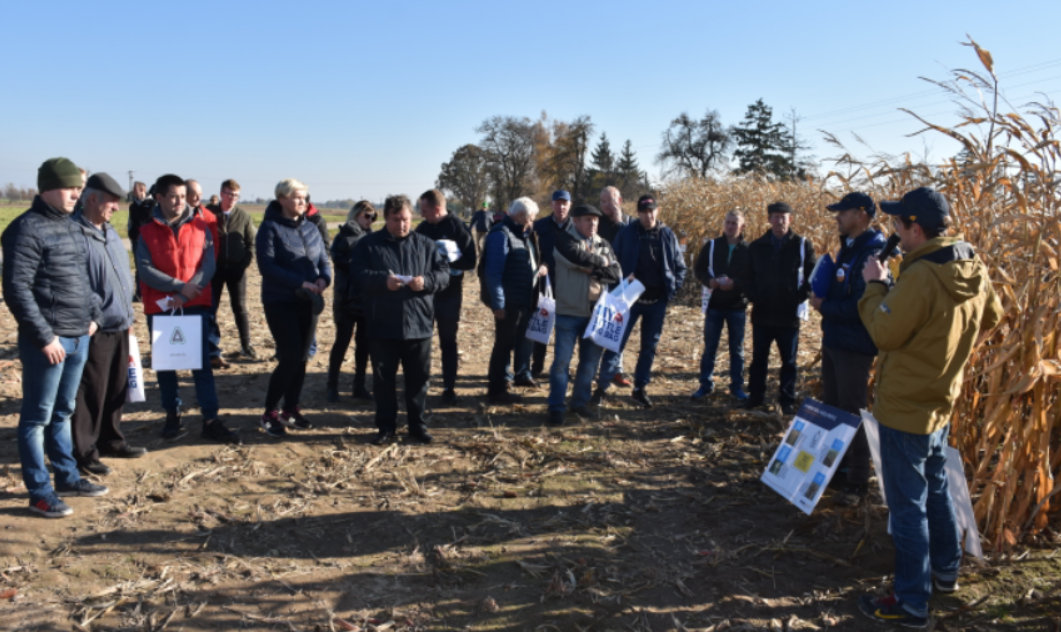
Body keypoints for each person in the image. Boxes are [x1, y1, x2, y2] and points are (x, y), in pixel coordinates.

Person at [857, 187, 1002, 627]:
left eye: (900, 224)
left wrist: (874, 286)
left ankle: (911, 602)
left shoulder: (920, 278)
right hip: (942, 401)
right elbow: (992, 316)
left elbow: (883, 331)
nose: (895, 231)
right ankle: (945, 574)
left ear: (915, 229)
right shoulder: (969, 263)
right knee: (937, 491)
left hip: (905, 408)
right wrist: (946, 348)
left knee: (907, 508)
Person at [2, 157, 108, 517]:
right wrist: (45, 337)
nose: (76, 195)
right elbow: (17, 289)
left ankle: (66, 475)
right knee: (37, 417)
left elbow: (81, 280)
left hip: (79, 334)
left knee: (64, 410)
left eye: (79, 189)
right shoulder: (25, 229)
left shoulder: (70, 227)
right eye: (69, 188)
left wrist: (94, 315)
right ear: (46, 188)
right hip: (49, 342)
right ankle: (39, 491)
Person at [136, 173, 239, 444]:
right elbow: (144, 269)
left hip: (195, 304)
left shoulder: (201, 227)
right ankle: (173, 415)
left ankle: (210, 419)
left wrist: (189, 289)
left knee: (202, 365)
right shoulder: (147, 231)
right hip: (161, 307)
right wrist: (178, 287)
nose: (180, 201)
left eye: (183, 196)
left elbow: (208, 264)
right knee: (166, 366)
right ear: (159, 197)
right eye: (174, 196)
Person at [351, 195, 449, 445]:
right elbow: (358, 275)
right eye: (396, 220)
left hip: (419, 325)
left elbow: (443, 274)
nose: (402, 225)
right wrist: (382, 281)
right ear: (386, 218)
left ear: (412, 217)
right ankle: (386, 427)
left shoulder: (426, 245)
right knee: (384, 383)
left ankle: (417, 426)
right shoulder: (369, 245)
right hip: (382, 325)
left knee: (418, 381)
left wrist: (426, 282)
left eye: (405, 219)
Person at [809, 192, 887, 499]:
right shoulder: (849, 249)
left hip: (855, 345)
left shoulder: (875, 252)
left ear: (862, 214)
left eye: (843, 212)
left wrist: (824, 306)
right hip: (835, 339)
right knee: (834, 406)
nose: (837, 217)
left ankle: (857, 478)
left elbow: (862, 304)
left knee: (853, 410)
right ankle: (836, 470)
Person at [72, 173, 146, 476]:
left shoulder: (110, 233)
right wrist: (95, 315)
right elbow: (78, 283)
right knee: (92, 391)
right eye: (112, 202)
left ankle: (111, 439)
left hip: (120, 322)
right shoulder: (75, 234)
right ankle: (85, 451)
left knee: (116, 386)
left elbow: (121, 278)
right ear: (92, 199)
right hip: (96, 327)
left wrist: (127, 314)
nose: (116, 208)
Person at [592, 194, 687, 408]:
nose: (648, 215)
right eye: (644, 212)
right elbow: (613, 261)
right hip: (629, 301)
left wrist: (671, 290)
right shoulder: (627, 233)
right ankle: (602, 388)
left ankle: (639, 388)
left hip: (656, 302)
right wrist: (622, 280)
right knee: (615, 343)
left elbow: (680, 267)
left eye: (652, 210)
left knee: (649, 347)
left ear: (657, 211)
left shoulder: (666, 235)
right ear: (638, 213)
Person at [255, 178, 331, 438]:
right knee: (288, 356)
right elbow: (267, 267)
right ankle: (269, 412)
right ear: (282, 199)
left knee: (301, 358)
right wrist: (301, 282)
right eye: (297, 197)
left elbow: (323, 259)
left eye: (305, 197)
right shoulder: (269, 228)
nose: (302, 202)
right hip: (280, 301)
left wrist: (323, 279)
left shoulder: (311, 228)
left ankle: (290, 409)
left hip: (308, 302)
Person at [546, 204, 621, 425]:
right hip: (569, 312)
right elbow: (574, 257)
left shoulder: (603, 243)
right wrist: (600, 264)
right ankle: (556, 407)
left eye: (595, 220)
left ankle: (579, 403)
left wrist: (593, 268)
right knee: (561, 363)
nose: (593, 224)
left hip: (595, 314)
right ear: (576, 221)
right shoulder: (563, 240)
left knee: (589, 363)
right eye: (588, 220)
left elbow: (616, 272)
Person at [744, 201, 816, 415]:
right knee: (759, 359)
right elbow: (747, 278)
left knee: (789, 362)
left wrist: (796, 298)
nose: (779, 220)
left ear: (790, 219)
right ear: (768, 219)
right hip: (763, 314)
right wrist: (756, 297)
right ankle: (755, 397)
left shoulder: (802, 245)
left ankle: (787, 400)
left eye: (783, 216)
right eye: (775, 216)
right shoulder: (757, 247)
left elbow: (812, 277)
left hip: (788, 315)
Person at [482, 197, 547, 404]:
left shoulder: (521, 234)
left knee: (517, 342)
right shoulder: (501, 235)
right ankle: (497, 390)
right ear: (520, 216)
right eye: (531, 218)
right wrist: (498, 304)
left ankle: (518, 376)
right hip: (508, 303)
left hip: (522, 300)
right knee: (503, 346)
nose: (533, 222)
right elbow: (493, 273)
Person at [415, 189, 476, 405]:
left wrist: (445, 265)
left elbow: (471, 261)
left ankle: (449, 388)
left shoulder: (457, 228)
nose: (421, 214)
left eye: (424, 210)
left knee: (448, 341)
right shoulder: (422, 229)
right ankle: (418, 384)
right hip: (424, 295)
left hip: (450, 295)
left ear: (437, 209)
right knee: (420, 340)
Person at [691, 209, 750, 401]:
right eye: (728, 222)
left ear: (742, 226)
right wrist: (711, 282)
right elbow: (699, 269)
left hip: (737, 306)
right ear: (724, 224)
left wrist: (736, 284)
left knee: (737, 349)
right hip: (715, 304)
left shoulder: (748, 250)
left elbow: (752, 276)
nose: (731, 226)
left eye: (735, 223)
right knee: (710, 347)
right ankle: (705, 384)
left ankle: (736, 386)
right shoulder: (713, 246)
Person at [326, 200, 376, 402]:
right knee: (342, 342)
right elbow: (340, 261)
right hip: (346, 298)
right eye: (367, 215)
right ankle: (332, 386)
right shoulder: (344, 236)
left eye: (373, 217)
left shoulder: (371, 237)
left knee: (364, 345)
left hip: (365, 299)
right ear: (356, 214)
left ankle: (359, 385)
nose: (370, 220)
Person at [207, 179, 257, 360]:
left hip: (237, 270)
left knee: (240, 307)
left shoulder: (243, 216)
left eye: (236, 195)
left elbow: (251, 243)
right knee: (211, 308)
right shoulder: (209, 213)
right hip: (214, 270)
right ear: (221, 194)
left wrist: (245, 263)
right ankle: (211, 346)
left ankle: (246, 345)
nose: (232, 198)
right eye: (229, 194)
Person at [530, 189, 572, 378]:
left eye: (565, 203)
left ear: (569, 205)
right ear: (552, 205)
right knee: (542, 326)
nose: (561, 207)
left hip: (569, 285)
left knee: (566, 330)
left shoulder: (575, 227)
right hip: (545, 284)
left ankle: (561, 367)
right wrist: (541, 266)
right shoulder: (540, 226)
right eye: (558, 203)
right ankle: (536, 366)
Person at [186, 179, 228, 369]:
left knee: (209, 314)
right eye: (193, 193)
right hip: (181, 275)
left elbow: (214, 247)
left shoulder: (208, 217)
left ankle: (211, 352)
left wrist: (208, 270)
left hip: (205, 274)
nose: (197, 197)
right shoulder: (174, 216)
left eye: (199, 193)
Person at [597, 185, 634, 387]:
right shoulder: (597, 224)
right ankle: (595, 369)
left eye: (609, 201)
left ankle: (615, 371)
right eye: (602, 202)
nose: (605, 206)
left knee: (619, 328)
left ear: (619, 201)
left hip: (623, 285)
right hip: (601, 283)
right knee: (600, 327)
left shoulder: (630, 224)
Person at [127, 181, 154, 303]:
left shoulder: (152, 204)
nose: (133, 191)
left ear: (142, 190)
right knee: (139, 267)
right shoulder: (133, 206)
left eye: (135, 189)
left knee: (151, 266)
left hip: (150, 240)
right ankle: (139, 293)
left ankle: (152, 292)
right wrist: (131, 233)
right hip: (136, 239)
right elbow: (131, 221)